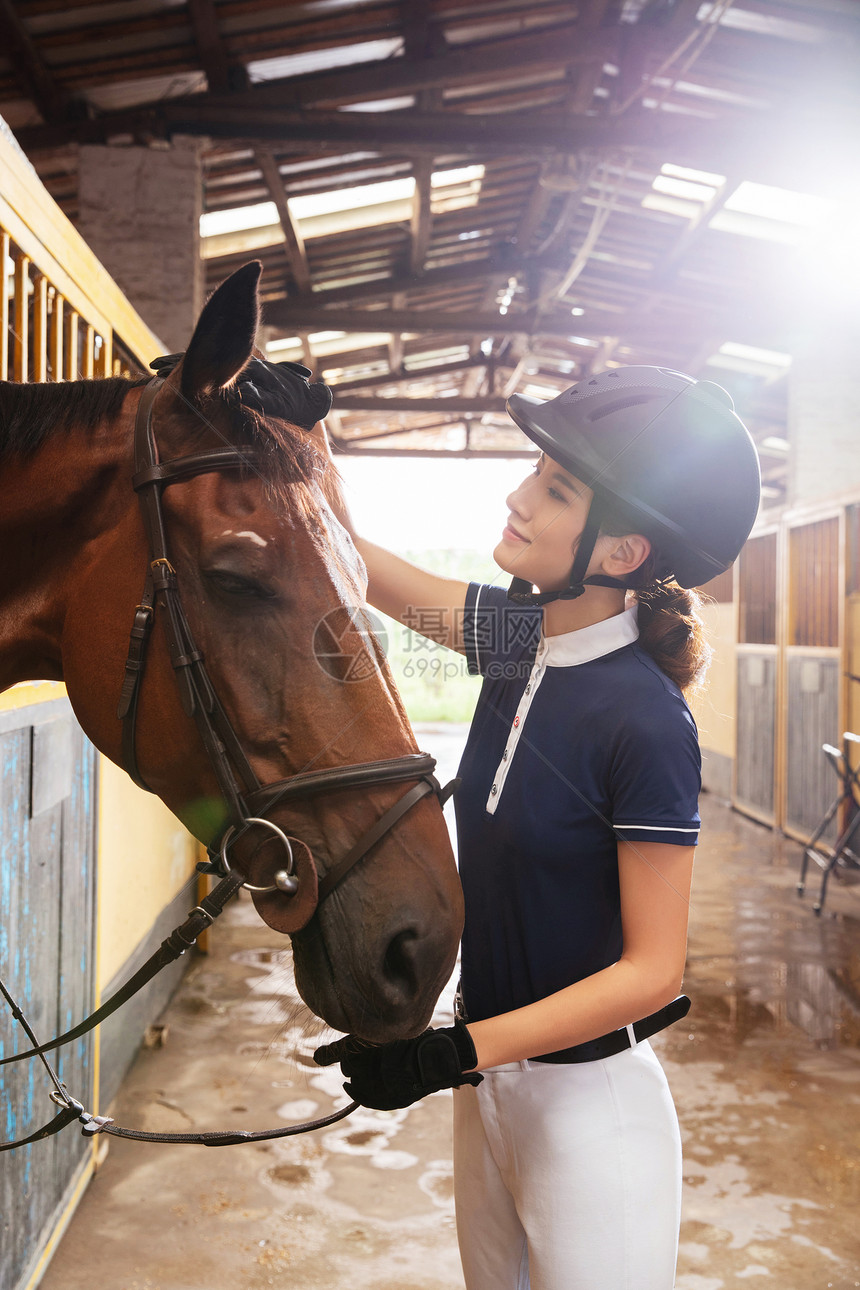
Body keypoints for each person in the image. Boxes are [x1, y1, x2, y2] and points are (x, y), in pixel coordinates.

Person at [312, 365, 761, 1290]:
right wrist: (292, 444)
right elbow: (355, 564)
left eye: (555, 489)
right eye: (535, 472)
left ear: (622, 551)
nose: (517, 497)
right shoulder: (520, 642)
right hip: (489, 1089)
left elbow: (653, 971)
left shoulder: (644, 722)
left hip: (590, 1113)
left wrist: (452, 1050)